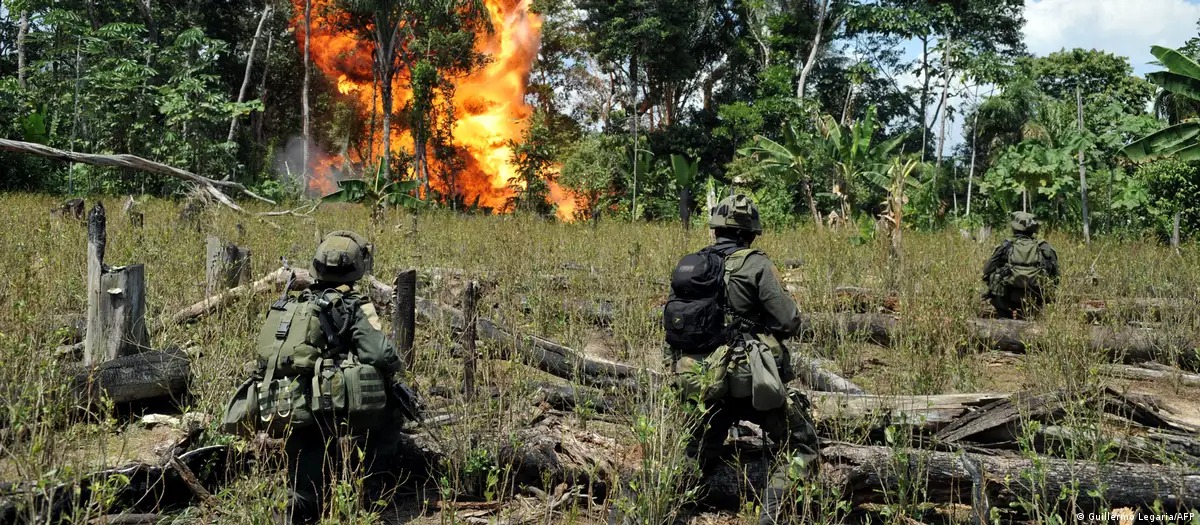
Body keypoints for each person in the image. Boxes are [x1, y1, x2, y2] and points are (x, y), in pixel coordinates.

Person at [223, 231, 407, 524]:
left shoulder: (292, 304)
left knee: (305, 478)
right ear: (357, 268)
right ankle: (370, 491)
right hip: (328, 405)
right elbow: (381, 355)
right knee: (391, 410)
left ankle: (297, 503)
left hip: (287, 403)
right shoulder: (352, 304)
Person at [663, 194, 819, 525]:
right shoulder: (756, 264)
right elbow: (789, 321)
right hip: (752, 381)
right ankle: (771, 514)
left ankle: (662, 507)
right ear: (749, 233)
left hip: (704, 381)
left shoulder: (693, 266)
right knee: (802, 446)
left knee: (694, 452)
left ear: (716, 229)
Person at [982, 212, 1060, 319]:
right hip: (1036, 295)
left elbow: (987, 270)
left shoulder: (1006, 246)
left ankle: (1004, 315)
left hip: (1007, 295)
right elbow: (1056, 276)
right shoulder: (1044, 247)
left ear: (1014, 227)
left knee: (994, 277)